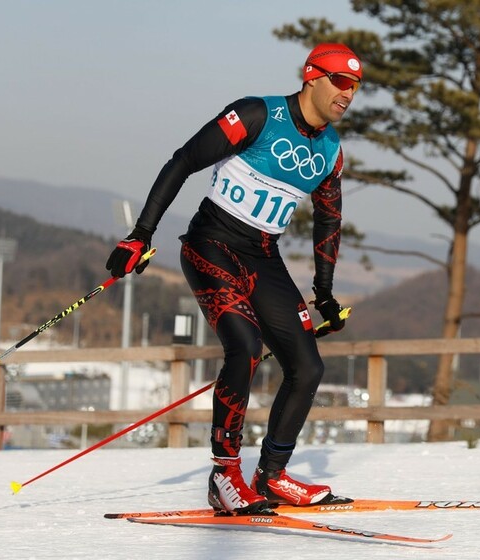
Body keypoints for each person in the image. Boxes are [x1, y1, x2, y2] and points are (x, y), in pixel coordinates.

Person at [105, 43, 362, 515]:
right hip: (212, 244)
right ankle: (224, 475)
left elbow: (329, 219)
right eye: (341, 81)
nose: (348, 93)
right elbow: (184, 160)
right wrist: (140, 234)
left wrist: (324, 292)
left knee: (307, 367)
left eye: (356, 86)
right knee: (244, 347)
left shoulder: (331, 150)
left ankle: (273, 476)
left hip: (263, 256)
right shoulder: (256, 114)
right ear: (312, 76)